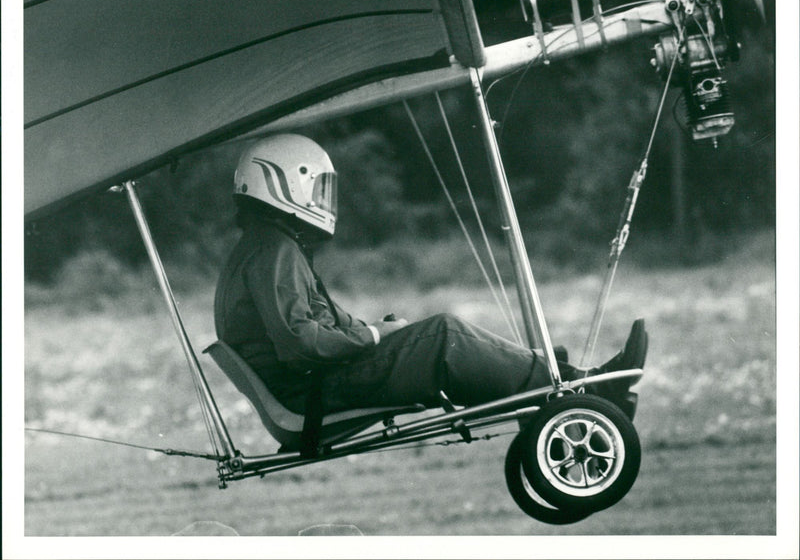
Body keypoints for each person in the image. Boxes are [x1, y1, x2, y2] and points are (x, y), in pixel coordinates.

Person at [214, 134, 646, 416]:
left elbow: (314, 328)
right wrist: (377, 337)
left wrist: (373, 330)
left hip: (312, 387)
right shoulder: (274, 250)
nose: (323, 200)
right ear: (285, 184)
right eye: (317, 186)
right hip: (314, 391)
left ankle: (559, 376)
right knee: (442, 333)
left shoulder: (263, 247)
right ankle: (577, 388)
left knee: (435, 334)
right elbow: (302, 344)